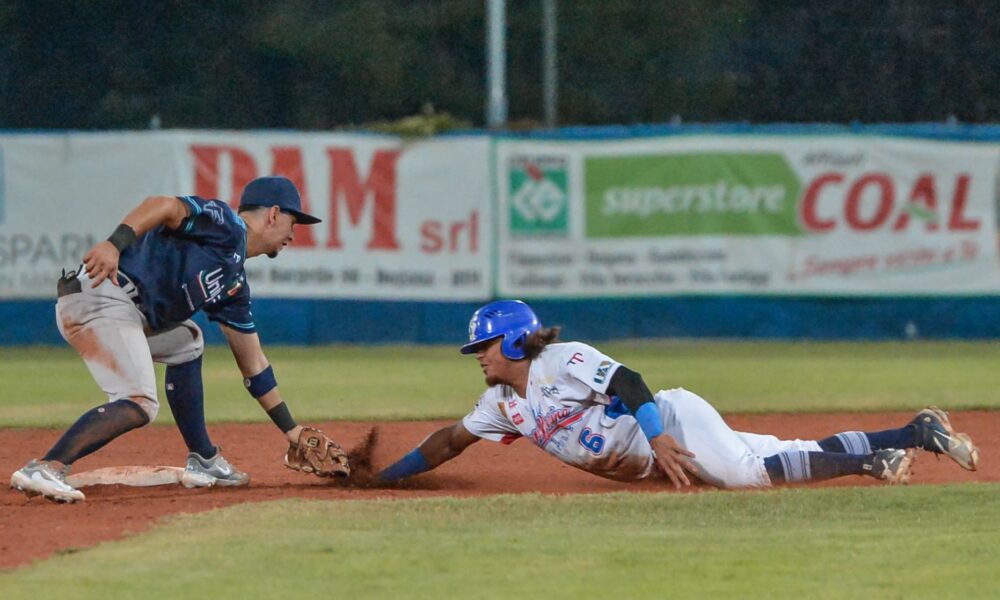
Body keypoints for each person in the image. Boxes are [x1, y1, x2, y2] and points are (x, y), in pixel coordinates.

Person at [376, 300, 979, 489]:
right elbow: (446, 445)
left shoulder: (563, 359)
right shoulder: (499, 406)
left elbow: (631, 383)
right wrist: (383, 478)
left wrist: (660, 439)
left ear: (511, 343)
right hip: (656, 445)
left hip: (670, 420)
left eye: (481, 347)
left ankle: (872, 463)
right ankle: (914, 432)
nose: (476, 357)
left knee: (747, 475)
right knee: (779, 448)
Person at [10, 176, 348, 503]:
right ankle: (46, 467)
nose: (294, 232)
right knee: (140, 401)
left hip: (123, 311)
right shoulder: (227, 225)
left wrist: (292, 430)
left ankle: (204, 459)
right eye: (294, 221)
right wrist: (115, 244)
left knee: (188, 342)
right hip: (101, 294)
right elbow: (162, 205)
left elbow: (254, 364)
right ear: (273, 214)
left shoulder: (234, 285)